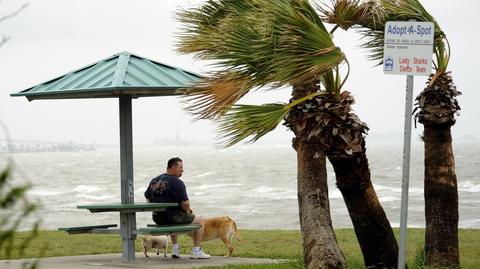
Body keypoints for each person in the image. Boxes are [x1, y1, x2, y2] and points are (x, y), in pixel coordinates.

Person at [144, 157, 210, 259]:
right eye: (181, 167)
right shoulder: (177, 182)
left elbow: (147, 197)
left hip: (158, 218)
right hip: (172, 218)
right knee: (200, 220)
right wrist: (186, 212)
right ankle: (196, 251)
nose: (182, 170)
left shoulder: (154, 180)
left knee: (174, 215)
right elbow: (186, 204)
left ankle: (175, 249)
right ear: (173, 167)